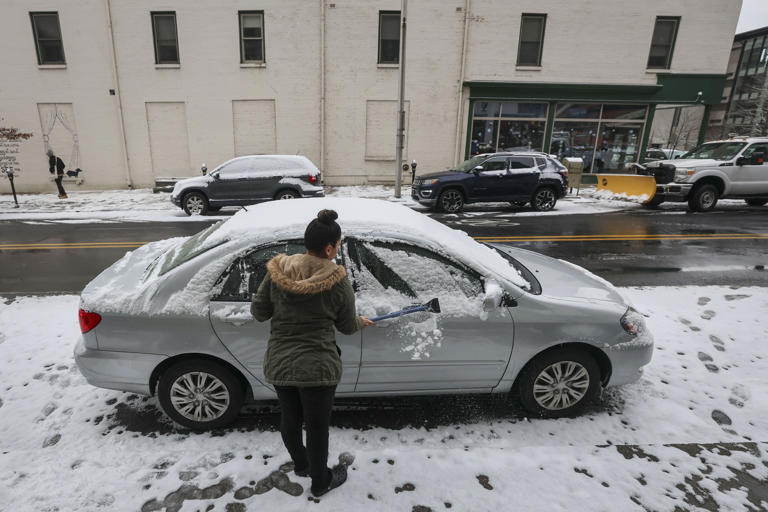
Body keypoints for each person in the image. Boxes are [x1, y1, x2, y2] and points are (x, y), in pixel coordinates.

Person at [251, 209, 374, 497]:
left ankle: (303, 465)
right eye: (339, 244)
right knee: (317, 427)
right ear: (329, 248)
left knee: (290, 419)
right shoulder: (337, 281)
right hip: (318, 365)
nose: (338, 249)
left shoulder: (278, 271)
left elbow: (259, 312)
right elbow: (345, 327)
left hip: (280, 361)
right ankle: (320, 481)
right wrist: (359, 322)